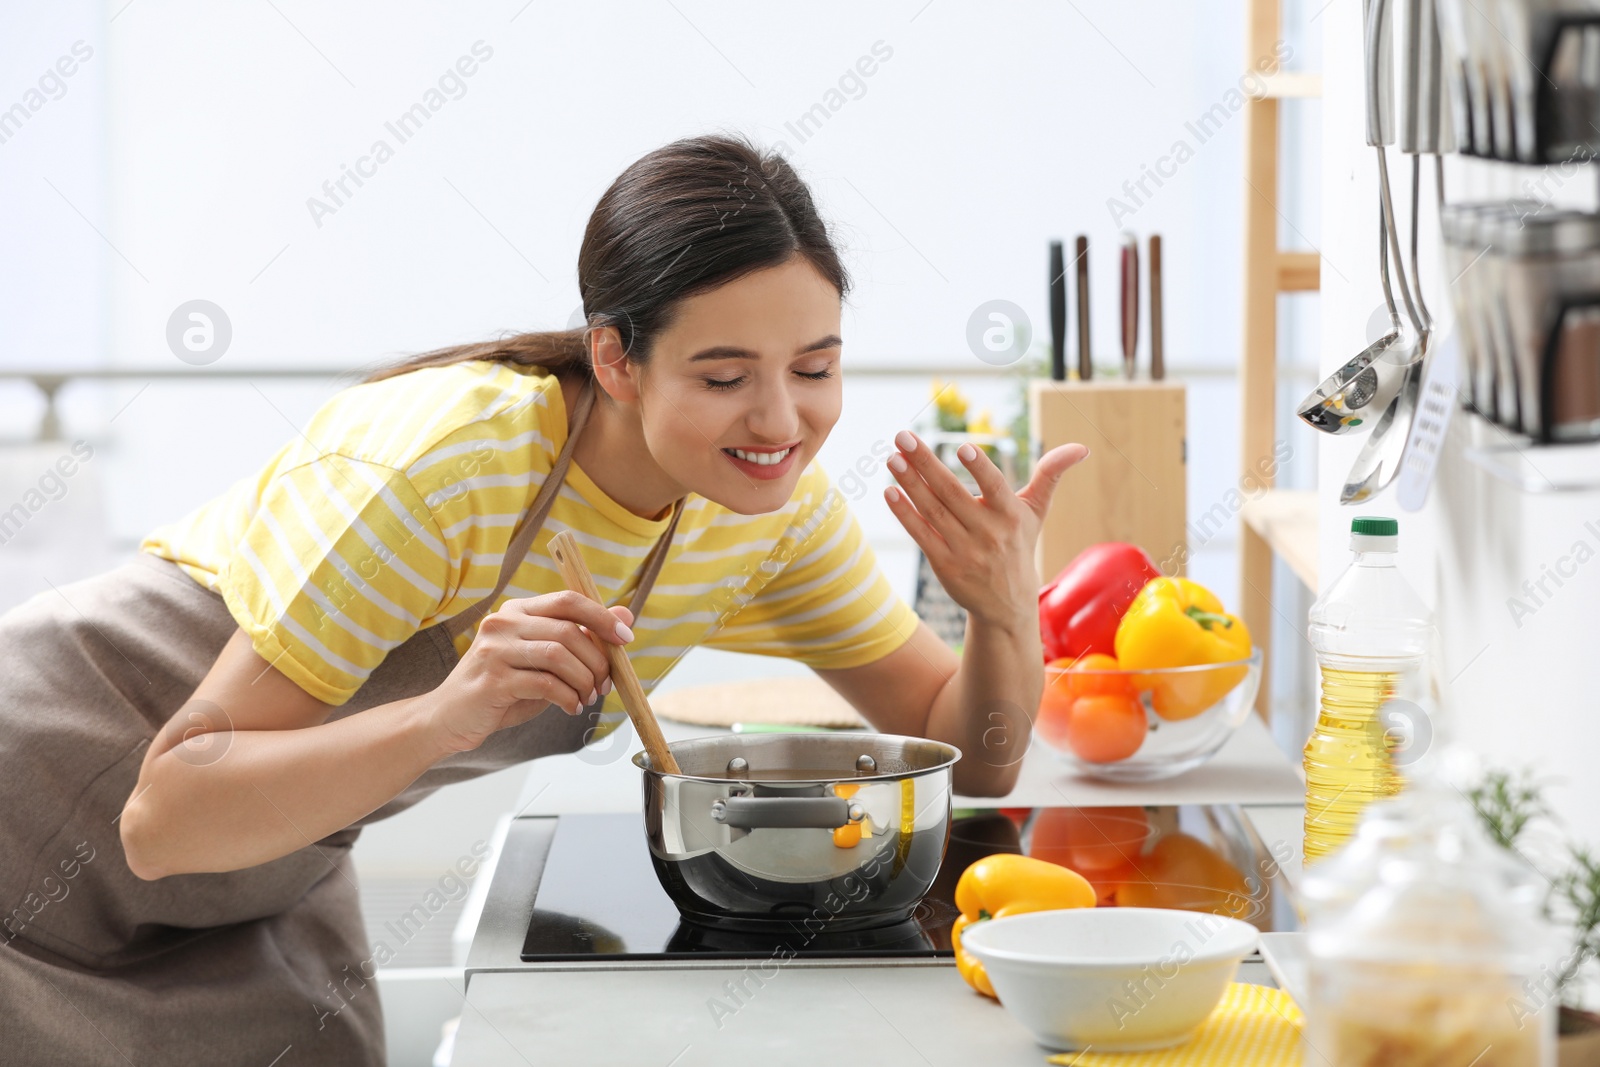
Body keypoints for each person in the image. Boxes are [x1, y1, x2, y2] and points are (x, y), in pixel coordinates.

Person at [0, 133, 1087, 1065]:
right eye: (722, 376)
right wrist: (443, 714)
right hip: (39, 803)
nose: (779, 420)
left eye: (814, 367)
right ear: (615, 357)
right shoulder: (448, 468)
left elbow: (972, 755)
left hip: (252, 872)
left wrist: (998, 611)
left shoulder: (769, 516)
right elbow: (166, 814)